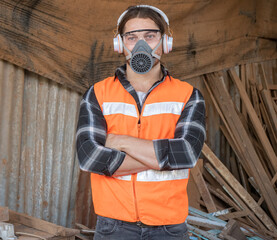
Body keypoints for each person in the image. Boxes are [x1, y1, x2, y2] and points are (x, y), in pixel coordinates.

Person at [76, 5, 206, 240]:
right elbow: (89, 158)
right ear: (120, 44)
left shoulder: (188, 95)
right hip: (113, 226)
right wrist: (162, 158)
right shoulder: (97, 94)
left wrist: (120, 141)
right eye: (132, 37)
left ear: (165, 43)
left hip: (170, 227)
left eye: (150, 36)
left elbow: (186, 154)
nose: (141, 45)